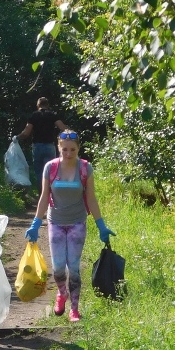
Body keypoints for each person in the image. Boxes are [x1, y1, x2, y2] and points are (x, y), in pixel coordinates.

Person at [25, 130, 114, 322]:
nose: (68, 153)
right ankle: (61, 294)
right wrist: (35, 224)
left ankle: (74, 308)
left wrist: (101, 226)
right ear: (58, 148)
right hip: (55, 222)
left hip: (77, 223)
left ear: (78, 148)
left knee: (73, 268)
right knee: (58, 269)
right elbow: (43, 198)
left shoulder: (85, 169)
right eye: (64, 149)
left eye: (72, 149)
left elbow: (91, 199)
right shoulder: (50, 168)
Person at [15, 97, 67, 185]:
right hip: (50, 146)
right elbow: (63, 128)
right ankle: (51, 195)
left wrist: (17, 138)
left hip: (37, 147)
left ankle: (41, 196)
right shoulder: (52, 115)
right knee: (51, 172)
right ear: (47, 105)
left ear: (38, 105)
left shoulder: (34, 115)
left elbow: (26, 133)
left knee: (39, 173)